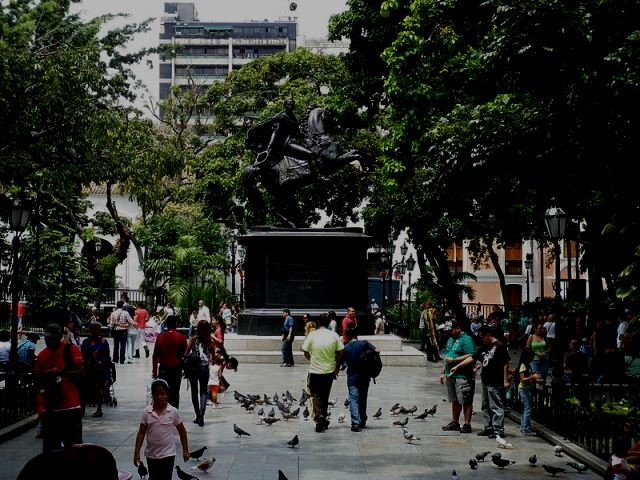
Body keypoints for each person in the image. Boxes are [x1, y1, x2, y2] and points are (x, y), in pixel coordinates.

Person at [452, 323, 511, 438]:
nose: (481, 339)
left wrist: (505, 379)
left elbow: (505, 363)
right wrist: (458, 366)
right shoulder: (484, 347)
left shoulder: (499, 346)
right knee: (485, 405)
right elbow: (472, 358)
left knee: (496, 405)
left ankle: (498, 429)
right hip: (486, 379)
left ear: (488, 335)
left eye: (482, 337)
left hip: (495, 380)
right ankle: (488, 427)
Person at [34, 323, 84, 452]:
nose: (48, 341)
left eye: (51, 338)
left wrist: (61, 372)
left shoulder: (70, 350)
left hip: (70, 407)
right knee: (50, 448)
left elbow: (81, 372)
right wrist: (41, 406)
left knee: (73, 447)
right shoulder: (42, 355)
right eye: (46, 338)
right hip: (51, 409)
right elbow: (39, 381)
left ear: (59, 337)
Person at [134, 379, 190, 480]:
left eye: (163, 394)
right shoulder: (147, 412)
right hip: (151, 455)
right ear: (152, 395)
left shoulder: (173, 411)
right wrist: (137, 453)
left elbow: (182, 430)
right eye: (156, 394)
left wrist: (185, 450)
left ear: (167, 395)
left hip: (168, 454)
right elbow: (141, 433)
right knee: (154, 477)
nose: (160, 397)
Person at [301, 313, 344, 432]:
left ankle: (318, 416)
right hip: (328, 371)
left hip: (315, 370)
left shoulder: (312, 335)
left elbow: (305, 351)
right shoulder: (334, 335)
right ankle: (322, 417)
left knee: (314, 395)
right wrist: (334, 362)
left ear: (319, 323)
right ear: (329, 322)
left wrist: (312, 359)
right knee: (325, 396)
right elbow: (341, 351)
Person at [439, 320, 476, 433]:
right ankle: (455, 422)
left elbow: (471, 355)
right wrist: (443, 372)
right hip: (451, 374)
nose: (450, 333)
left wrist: (455, 360)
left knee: (465, 399)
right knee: (454, 399)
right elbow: (447, 355)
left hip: (462, 375)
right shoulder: (451, 339)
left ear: (458, 328)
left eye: (451, 330)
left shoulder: (466, 339)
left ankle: (467, 423)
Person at [340, 326, 378, 432]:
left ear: (347, 335)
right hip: (365, 376)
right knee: (362, 398)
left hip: (352, 377)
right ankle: (363, 420)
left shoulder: (346, 347)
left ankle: (355, 423)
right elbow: (377, 350)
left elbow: (340, 361)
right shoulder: (364, 344)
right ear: (357, 334)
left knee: (353, 399)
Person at [152, 315, 187, 409]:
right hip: (177, 368)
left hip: (164, 369)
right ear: (176, 324)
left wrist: (154, 372)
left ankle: (164, 412)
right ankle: (174, 412)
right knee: (175, 392)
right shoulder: (181, 337)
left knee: (164, 392)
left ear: (166, 324)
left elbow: (155, 355)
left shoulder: (160, 337)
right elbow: (185, 355)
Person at [81, 321, 112, 418]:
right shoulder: (86, 342)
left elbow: (107, 356)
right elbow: (83, 355)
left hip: (101, 368)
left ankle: (99, 409)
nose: (97, 332)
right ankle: (82, 408)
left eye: (98, 329)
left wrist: (102, 363)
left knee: (99, 387)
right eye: (94, 329)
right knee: (86, 388)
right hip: (89, 367)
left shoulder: (103, 341)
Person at [185, 320, 212, 427]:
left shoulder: (193, 339)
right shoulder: (209, 340)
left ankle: (197, 415)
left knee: (194, 391)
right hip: (204, 368)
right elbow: (213, 356)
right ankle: (202, 415)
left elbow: (186, 353)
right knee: (204, 392)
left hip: (193, 368)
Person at [517, 348, 540, 435]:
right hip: (523, 389)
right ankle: (526, 428)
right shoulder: (523, 365)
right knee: (528, 409)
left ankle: (524, 427)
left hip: (527, 389)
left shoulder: (528, 365)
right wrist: (532, 377)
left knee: (525, 409)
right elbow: (522, 379)